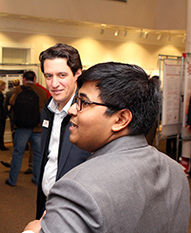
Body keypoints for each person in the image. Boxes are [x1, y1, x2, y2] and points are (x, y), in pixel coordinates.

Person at [24, 62, 190, 233]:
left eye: (84, 102)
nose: (72, 109)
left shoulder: (78, 187)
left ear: (120, 119)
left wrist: (32, 230)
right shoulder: (176, 171)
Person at [36, 43, 90, 219]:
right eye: (48, 76)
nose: (54, 84)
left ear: (78, 74)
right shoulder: (48, 109)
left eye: (62, 75)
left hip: (74, 209)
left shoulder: (88, 114)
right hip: (47, 202)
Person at [5, 71, 48, 186]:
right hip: (38, 127)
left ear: (24, 79)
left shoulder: (18, 90)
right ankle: (37, 179)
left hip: (22, 126)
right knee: (38, 154)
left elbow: (11, 102)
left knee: (18, 152)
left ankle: (12, 180)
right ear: (34, 79)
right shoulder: (43, 92)